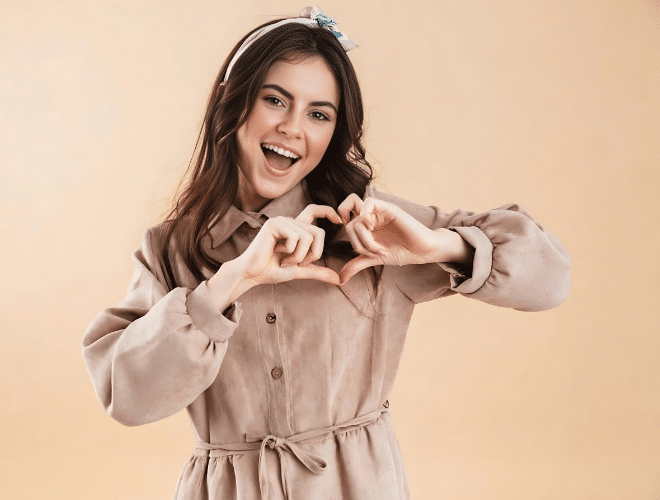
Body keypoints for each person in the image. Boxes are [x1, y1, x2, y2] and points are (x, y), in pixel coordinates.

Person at [81, 6, 571, 499]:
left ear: (333, 133)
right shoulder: (172, 249)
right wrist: (231, 281)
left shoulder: (365, 227)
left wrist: (438, 245)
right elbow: (127, 398)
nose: (293, 128)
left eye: (319, 114)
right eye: (275, 100)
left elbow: (551, 280)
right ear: (234, 104)